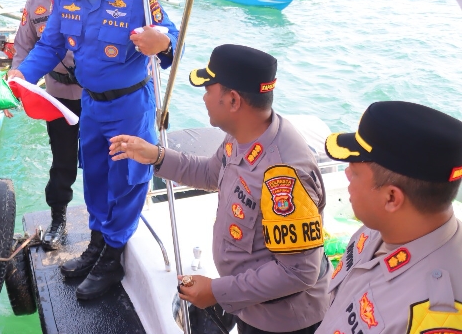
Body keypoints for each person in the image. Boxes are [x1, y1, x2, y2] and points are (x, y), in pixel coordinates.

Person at [8, 0, 180, 300]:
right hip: (91, 105)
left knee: (127, 177)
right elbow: (50, 45)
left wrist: (162, 41)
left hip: (129, 105)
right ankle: (98, 242)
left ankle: (113, 253)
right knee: (96, 176)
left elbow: (174, 41)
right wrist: (23, 74)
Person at [110, 44, 330, 334]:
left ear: (234, 100)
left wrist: (217, 291)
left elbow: (299, 271)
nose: (203, 97)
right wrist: (156, 156)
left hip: (281, 322)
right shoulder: (244, 135)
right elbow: (212, 172)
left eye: (209, 89)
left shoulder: (285, 175)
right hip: (249, 301)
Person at [316, 101, 462, 334]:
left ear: (392, 198)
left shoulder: (435, 316)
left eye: (354, 172)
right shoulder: (380, 226)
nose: (346, 174)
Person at [12, 0, 83, 251]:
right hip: (58, 97)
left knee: (105, 160)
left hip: (95, 97)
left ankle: (108, 222)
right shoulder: (36, 2)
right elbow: (23, 46)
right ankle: (58, 219)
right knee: (62, 162)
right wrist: (16, 77)